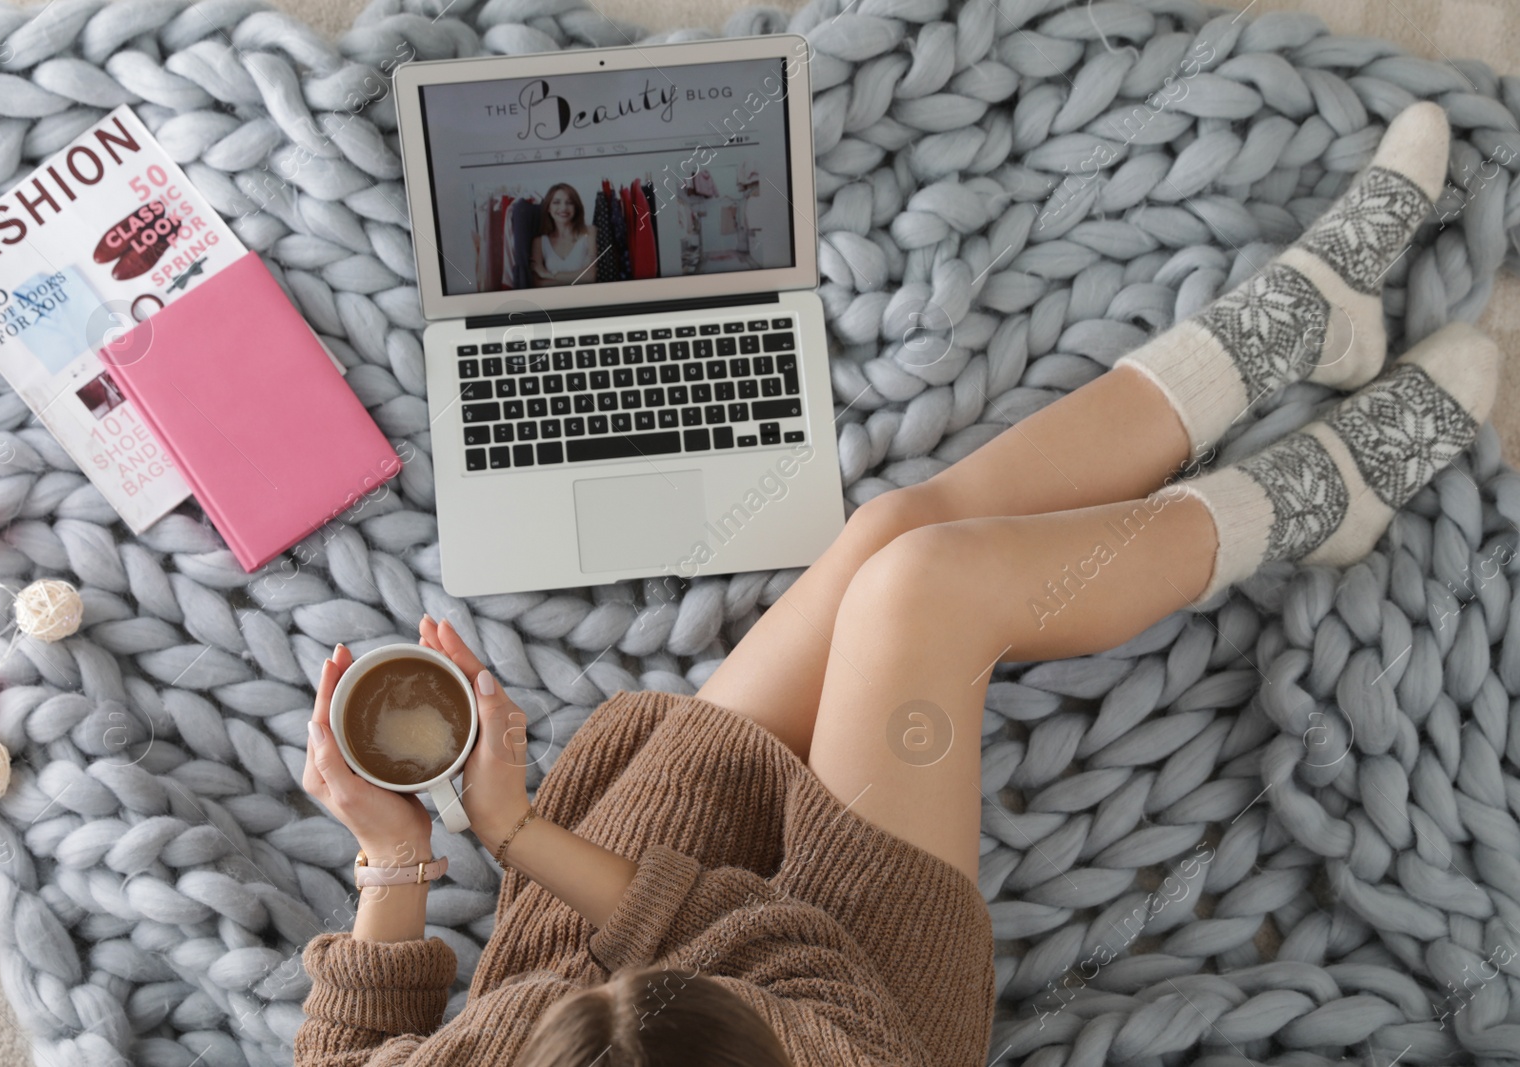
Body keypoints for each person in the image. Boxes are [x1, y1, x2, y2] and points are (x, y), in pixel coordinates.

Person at [294, 101, 1494, 1065]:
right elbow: (752, 937)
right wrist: (515, 829)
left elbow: (345, 1052)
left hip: (618, 922)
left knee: (889, 527)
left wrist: (397, 850)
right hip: (850, 967)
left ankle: (1289, 326)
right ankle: (1312, 501)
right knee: (928, 588)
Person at [530, 183, 597, 286]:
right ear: (548, 208)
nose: (563, 207)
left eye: (569, 202)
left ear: (576, 207)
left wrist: (547, 274)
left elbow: (590, 277)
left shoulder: (590, 232)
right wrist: (578, 277)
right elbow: (538, 283)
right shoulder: (538, 242)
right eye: (556, 202)